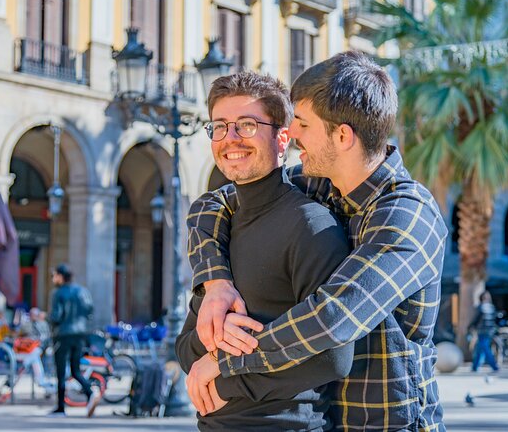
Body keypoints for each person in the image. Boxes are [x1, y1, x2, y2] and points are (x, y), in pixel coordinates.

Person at [187, 51, 447, 430]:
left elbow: (332, 316)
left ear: (342, 136)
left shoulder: (408, 215)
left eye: (303, 125)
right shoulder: (319, 183)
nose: (292, 137)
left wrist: (226, 362)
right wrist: (216, 283)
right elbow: (212, 203)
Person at [175, 71, 354, 430]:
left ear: (282, 138)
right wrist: (218, 333)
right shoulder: (220, 231)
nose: (230, 139)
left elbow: (333, 358)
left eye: (246, 125)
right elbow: (184, 348)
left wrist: (226, 372)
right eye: (220, 126)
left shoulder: (312, 226)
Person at [48, 263, 101, 417]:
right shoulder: (83, 291)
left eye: (54, 275)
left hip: (63, 335)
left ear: (60, 276)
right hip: (80, 334)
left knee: (60, 371)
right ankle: (90, 392)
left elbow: (56, 317)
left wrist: (44, 316)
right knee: (75, 370)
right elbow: (90, 312)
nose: (53, 278)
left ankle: (60, 407)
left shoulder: (58, 293)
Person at [468, 291, 499, 373]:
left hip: (482, 331)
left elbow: (476, 319)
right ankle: (475, 367)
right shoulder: (491, 307)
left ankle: (494, 365)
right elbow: (494, 319)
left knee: (485, 348)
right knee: (480, 348)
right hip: (489, 331)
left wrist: (470, 326)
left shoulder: (481, 307)